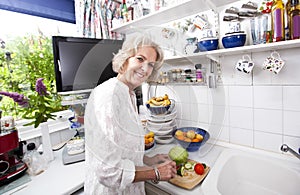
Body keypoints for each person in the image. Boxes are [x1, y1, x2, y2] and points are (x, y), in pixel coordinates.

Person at [84, 34, 177, 194]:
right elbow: (107, 171)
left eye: (150, 65)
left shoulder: (129, 94)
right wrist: (155, 172)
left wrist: (149, 160)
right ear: (125, 59)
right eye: (140, 59)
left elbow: (124, 150)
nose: (145, 69)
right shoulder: (108, 96)